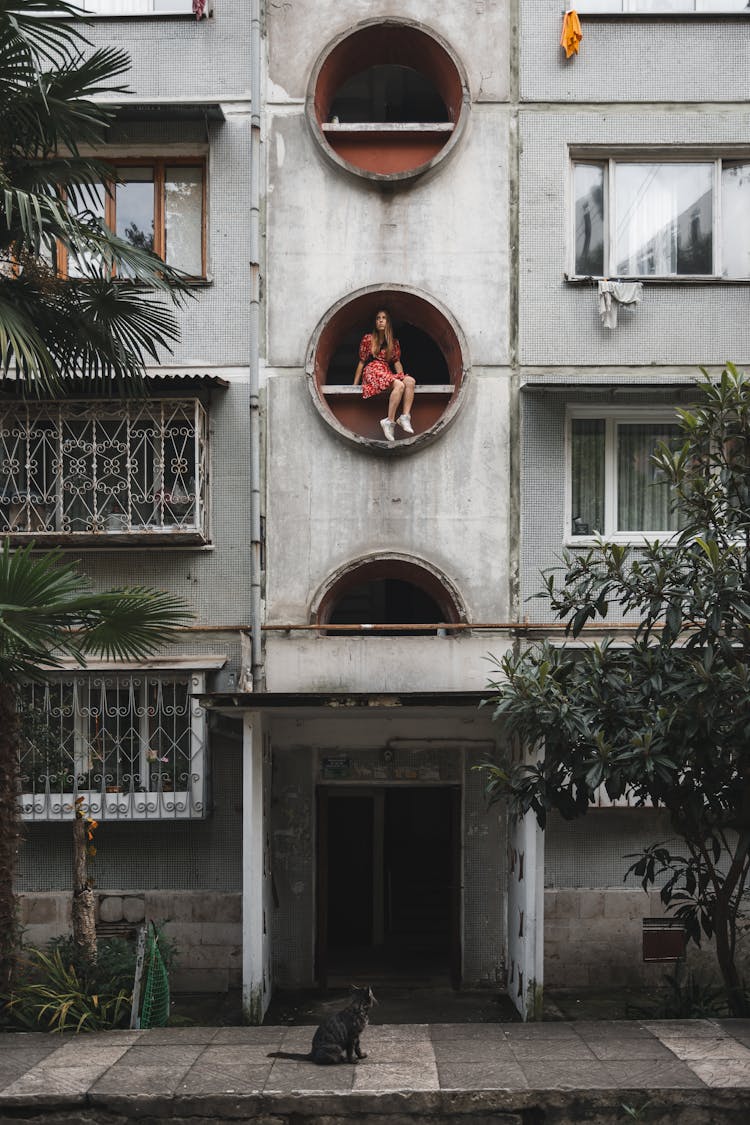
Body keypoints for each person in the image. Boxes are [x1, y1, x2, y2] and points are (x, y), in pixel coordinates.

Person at [353, 309, 416, 442]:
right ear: (375, 322)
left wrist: (402, 376)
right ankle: (390, 421)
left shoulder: (394, 343)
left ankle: (404, 416)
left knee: (410, 381)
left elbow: (397, 362)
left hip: (386, 371)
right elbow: (362, 361)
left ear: (388, 322)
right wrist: (354, 385)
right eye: (378, 318)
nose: (381, 320)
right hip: (372, 371)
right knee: (398, 385)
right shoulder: (368, 339)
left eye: (384, 318)